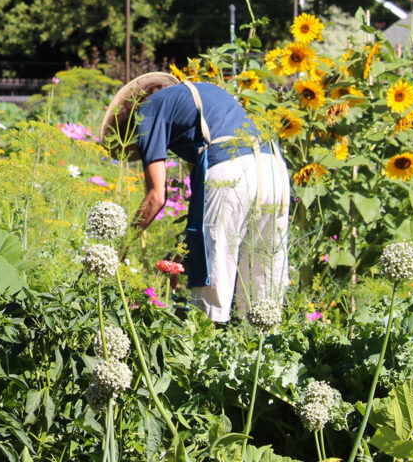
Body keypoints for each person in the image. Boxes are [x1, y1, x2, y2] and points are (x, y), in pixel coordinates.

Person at [100, 72, 290, 323]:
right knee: (262, 277)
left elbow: (156, 197)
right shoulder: (200, 99)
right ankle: (263, 351)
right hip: (274, 168)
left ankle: (204, 349)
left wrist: (118, 248)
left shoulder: (148, 111)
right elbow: (202, 212)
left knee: (214, 280)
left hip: (230, 170)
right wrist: (177, 256)